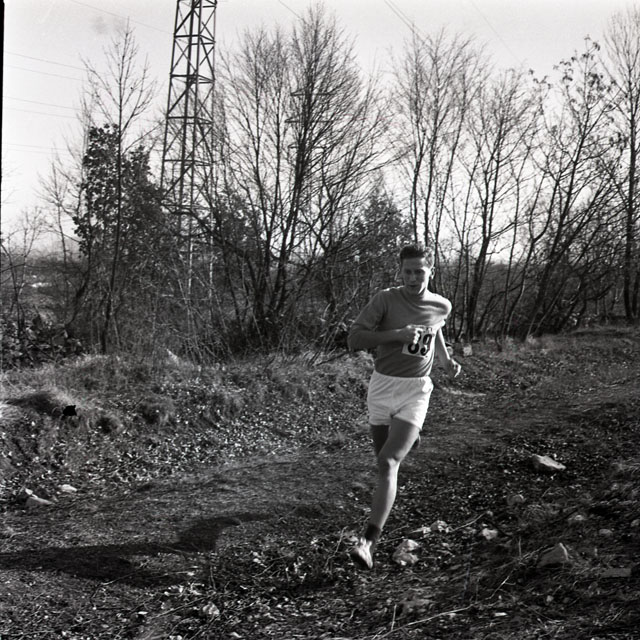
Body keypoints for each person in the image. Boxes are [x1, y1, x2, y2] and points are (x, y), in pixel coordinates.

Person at [347, 243, 461, 569]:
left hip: (416, 390)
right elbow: (354, 339)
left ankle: (368, 542)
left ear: (431, 272)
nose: (413, 278)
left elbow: (435, 331)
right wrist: (397, 334)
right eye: (407, 272)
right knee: (382, 461)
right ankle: (409, 436)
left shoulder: (441, 305)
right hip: (382, 387)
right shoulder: (385, 300)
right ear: (400, 272)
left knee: (388, 463)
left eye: (419, 272)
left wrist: (446, 361)